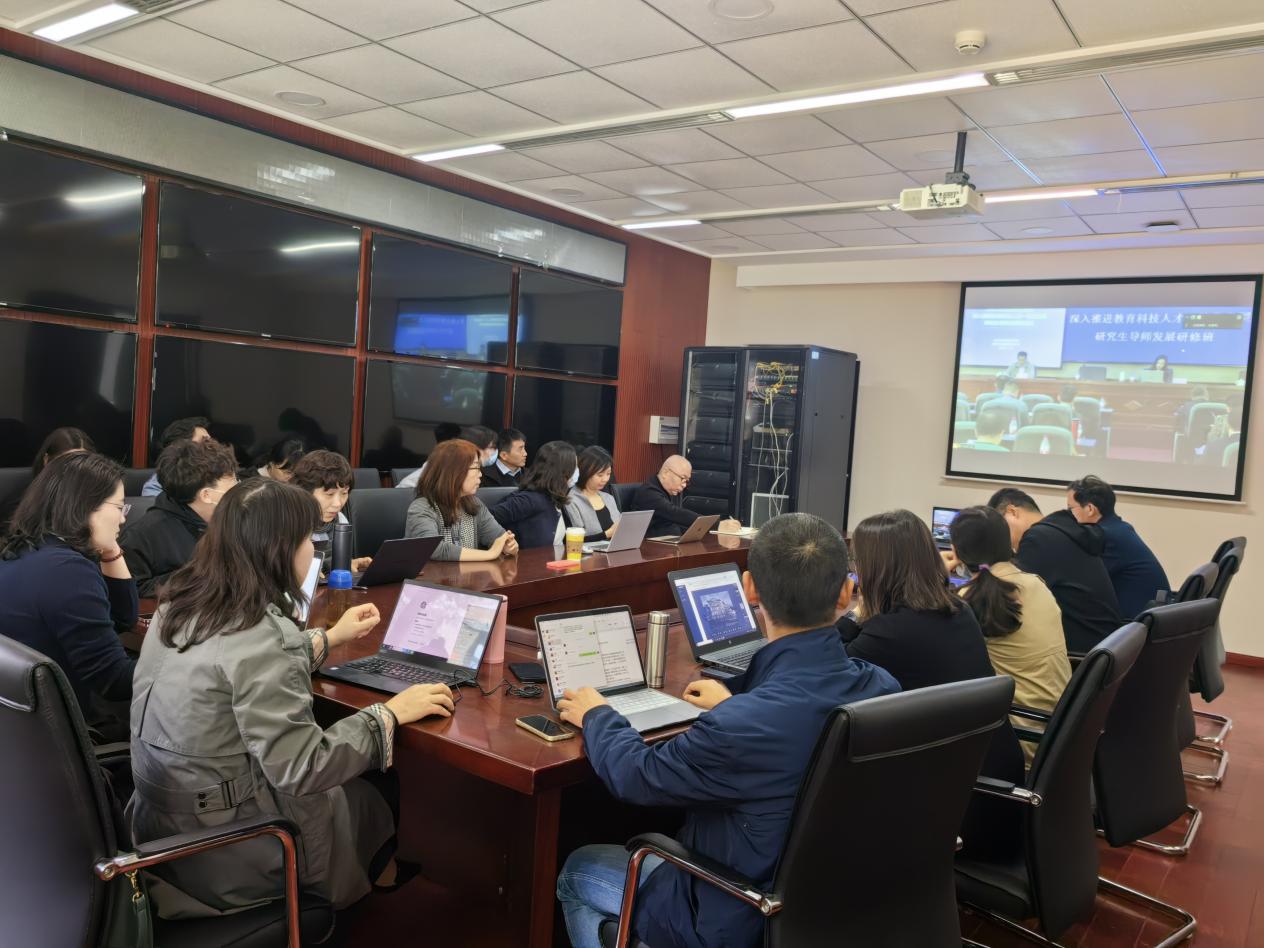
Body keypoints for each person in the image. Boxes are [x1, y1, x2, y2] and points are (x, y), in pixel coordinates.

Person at [554, 513, 899, 948]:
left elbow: (636, 775)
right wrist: (734, 705)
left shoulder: (742, 724)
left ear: (749, 588)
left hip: (734, 914)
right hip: (835, 907)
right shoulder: (883, 687)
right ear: (847, 594)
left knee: (578, 869)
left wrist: (597, 714)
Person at [127, 479, 458, 919]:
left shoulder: (182, 603)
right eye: (307, 539)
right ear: (279, 549)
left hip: (160, 825)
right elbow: (304, 768)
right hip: (234, 847)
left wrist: (328, 638)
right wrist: (389, 714)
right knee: (380, 781)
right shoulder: (258, 634)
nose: (312, 550)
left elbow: (232, 663)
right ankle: (372, 893)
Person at [0, 452, 136, 741]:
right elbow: (114, 681)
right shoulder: (68, 571)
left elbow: (123, 619)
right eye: (119, 507)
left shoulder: (22, 550)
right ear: (86, 506)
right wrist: (178, 668)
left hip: (21, 731)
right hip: (69, 733)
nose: (123, 519)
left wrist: (111, 551)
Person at [949, 506, 1070, 764]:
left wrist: (938, 574)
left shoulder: (969, 601)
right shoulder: (1036, 583)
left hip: (1020, 741)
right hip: (1059, 734)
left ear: (956, 552)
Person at [988, 487, 1122, 653]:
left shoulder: (1038, 538)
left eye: (1000, 527)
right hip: (1102, 644)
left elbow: (1008, 597)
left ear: (1012, 512)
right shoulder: (1060, 529)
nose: (1002, 537)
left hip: (1080, 652)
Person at [120, 439, 239, 597]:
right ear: (206, 495)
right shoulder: (141, 537)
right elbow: (133, 592)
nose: (238, 492)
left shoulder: (236, 521)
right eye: (232, 487)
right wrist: (196, 576)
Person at [1066, 475, 1170, 617]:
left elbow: (1081, 582)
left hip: (1134, 623)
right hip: (1150, 616)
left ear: (1090, 509)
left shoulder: (1106, 537)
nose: (1067, 514)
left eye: (1070, 508)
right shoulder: (1119, 528)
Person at [404, 439, 518, 561]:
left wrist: (508, 545)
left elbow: (498, 538)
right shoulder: (422, 507)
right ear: (454, 471)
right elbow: (432, 548)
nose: (480, 474)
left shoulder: (474, 504)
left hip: (468, 573)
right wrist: (491, 554)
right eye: (476, 467)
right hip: (431, 573)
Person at [289, 450, 373, 574]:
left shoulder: (340, 520)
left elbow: (332, 560)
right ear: (305, 492)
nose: (338, 504)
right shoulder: (286, 521)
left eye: (344, 493)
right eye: (329, 494)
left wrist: (347, 563)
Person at [1, 426, 95, 525]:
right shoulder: (19, 506)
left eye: (82, 463)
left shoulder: (99, 498)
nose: (74, 472)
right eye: (66, 464)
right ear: (47, 461)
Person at [490, 440, 576, 549]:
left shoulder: (555, 498)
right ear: (563, 472)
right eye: (574, 468)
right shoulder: (529, 500)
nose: (575, 472)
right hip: (529, 559)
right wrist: (505, 545)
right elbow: (485, 519)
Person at [395, 424, 497, 490]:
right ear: (475, 448)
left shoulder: (466, 470)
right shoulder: (443, 469)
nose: (494, 451)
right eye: (491, 447)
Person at [563, 446, 622, 543]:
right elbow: (575, 539)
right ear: (586, 472)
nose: (605, 479)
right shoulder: (571, 500)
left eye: (608, 474)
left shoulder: (608, 498)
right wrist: (607, 534)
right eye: (600, 475)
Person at [629, 456, 698, 537]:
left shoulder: (670, 490)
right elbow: (674, 513)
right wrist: (704, 521)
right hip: (649, 542)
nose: (684, 485)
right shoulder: (648, 492)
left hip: (669, 539)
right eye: (682, 478)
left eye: (686, 481)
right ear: (666, 473)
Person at [142, 416, 211, 495]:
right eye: (205, 441)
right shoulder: (154, 488)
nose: (212, 446)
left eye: (210, 440)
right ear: (180, 449)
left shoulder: (214, 476)